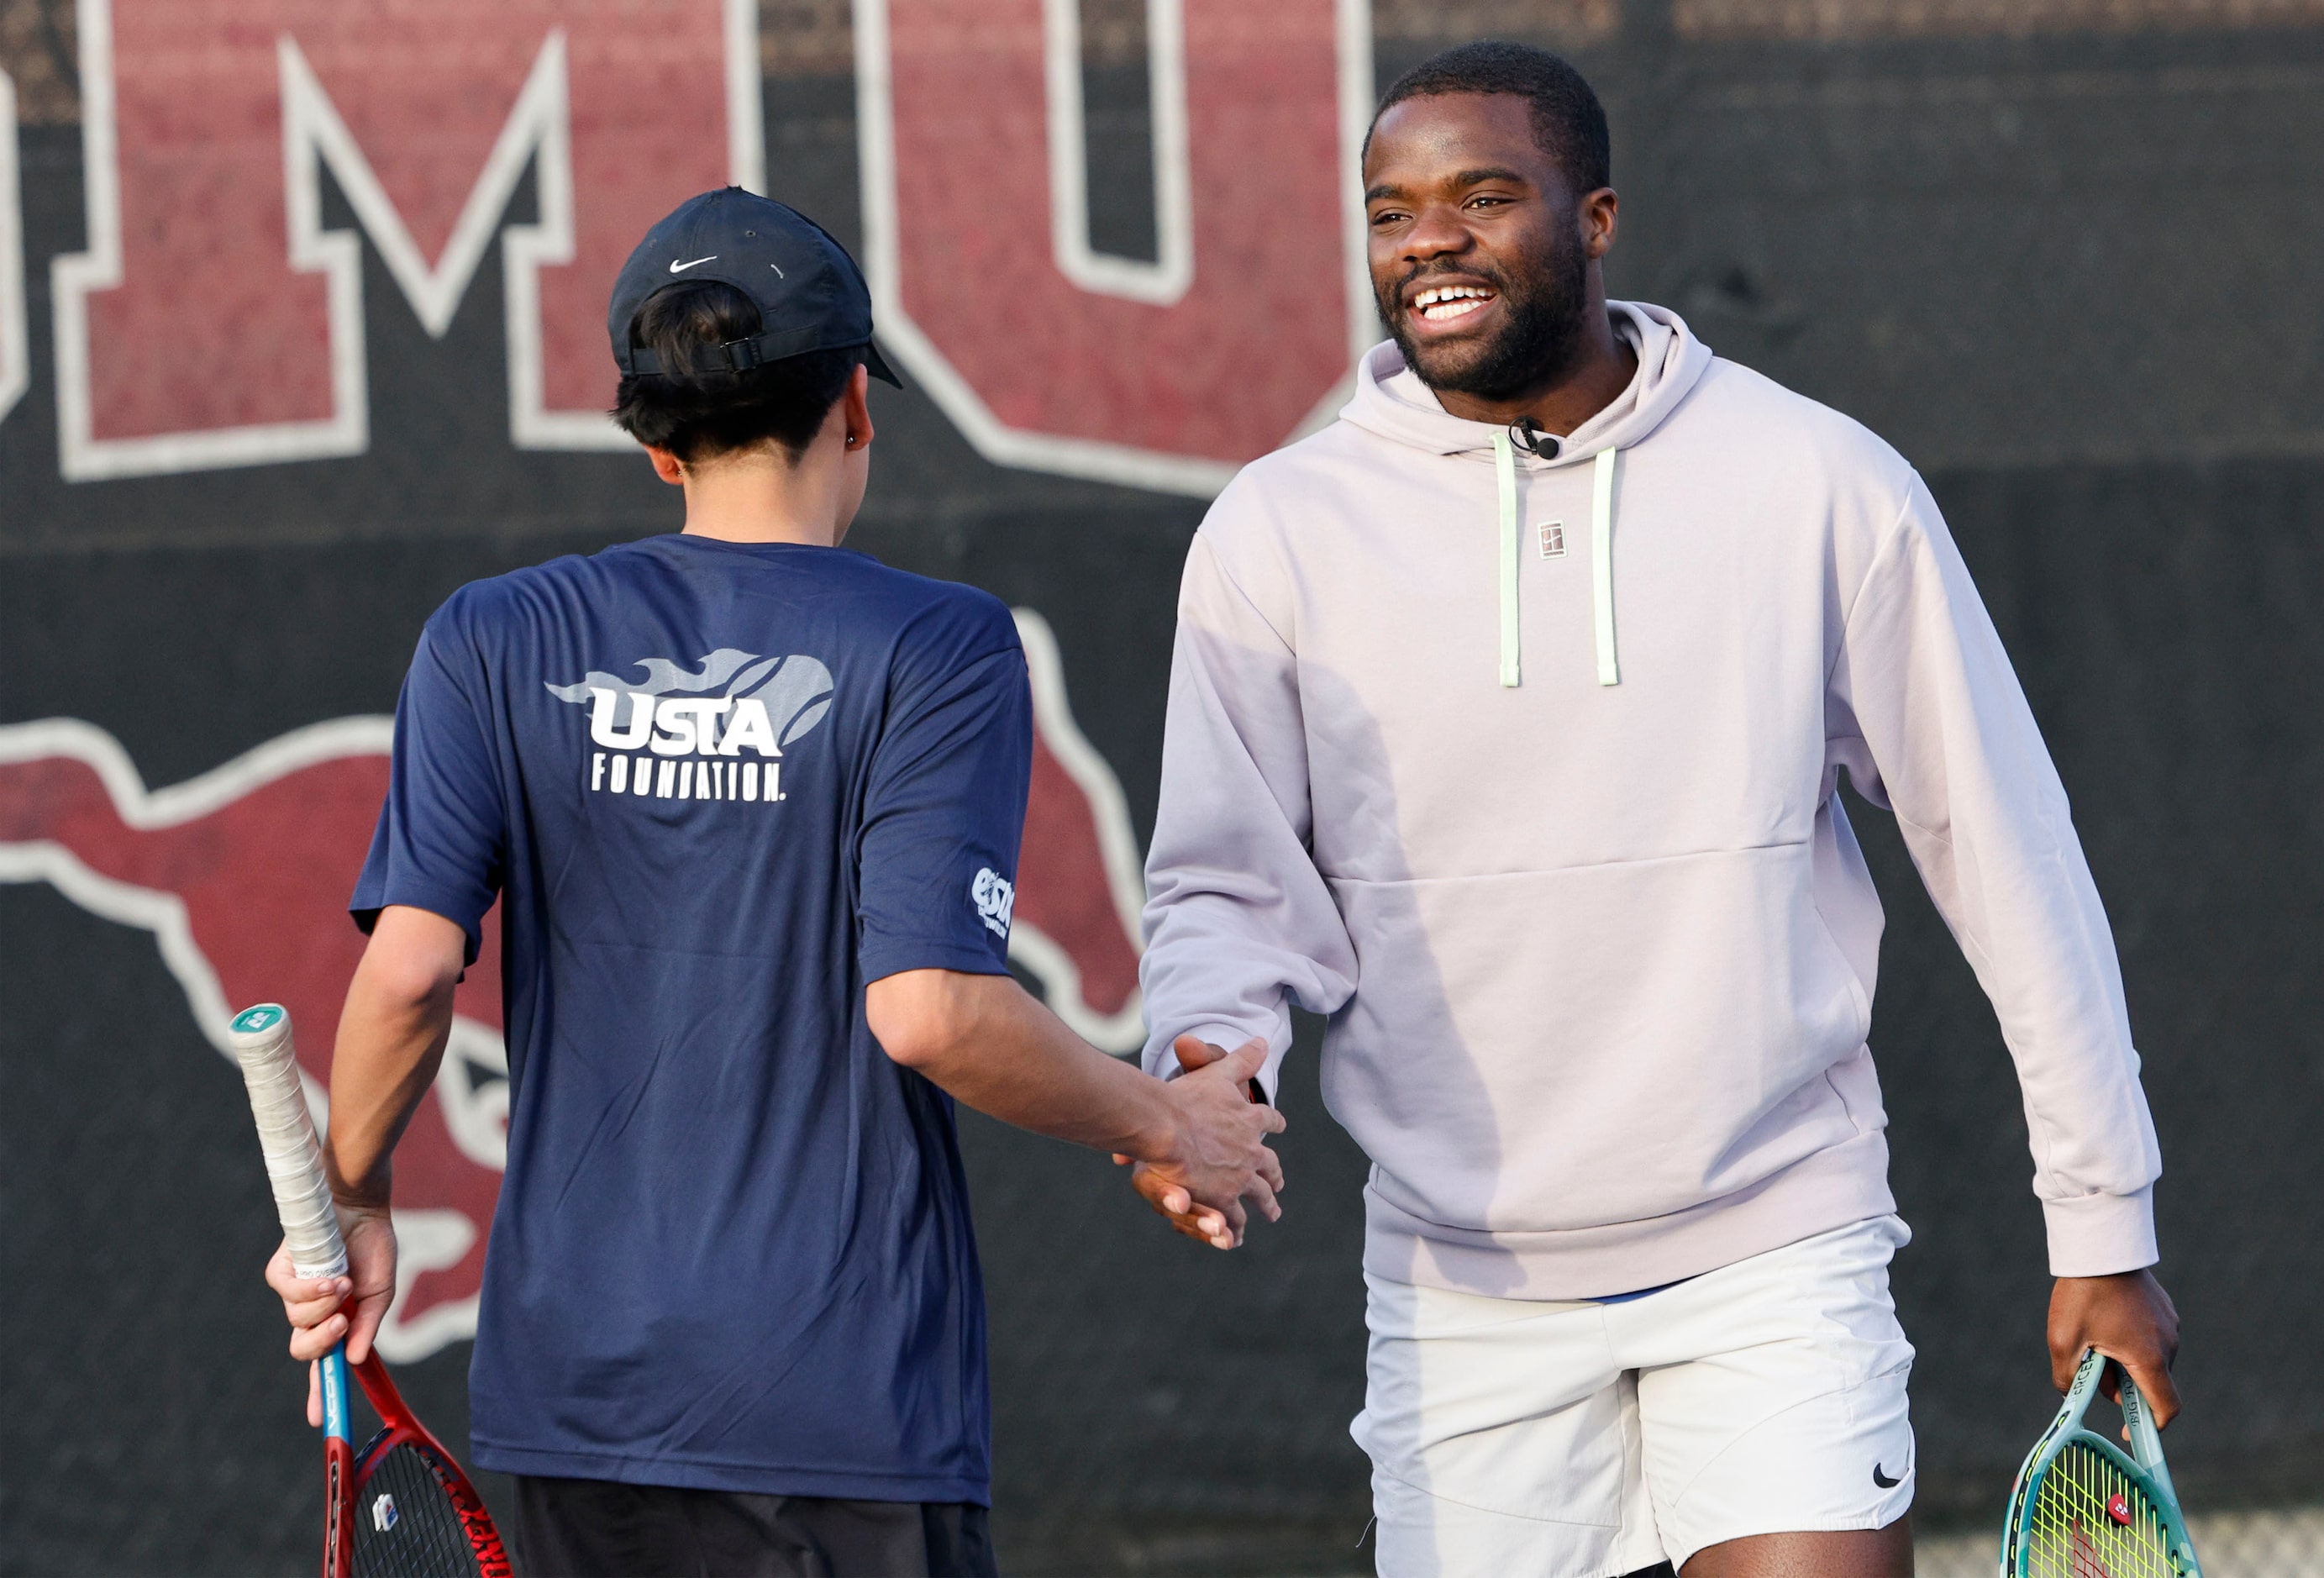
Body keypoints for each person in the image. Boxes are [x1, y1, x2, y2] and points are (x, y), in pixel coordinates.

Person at [1131, 42, 2179, 1578]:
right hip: (1458, 1289)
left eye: (1481, 196)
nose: (1426, 238)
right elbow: (1225, 887)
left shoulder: (1819, 482)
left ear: (1597, 215)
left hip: (1778, 1247)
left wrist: (2105, 1222)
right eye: (1389, 210)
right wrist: (1205, 1058)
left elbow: (2005, 859)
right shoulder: (1275, 532)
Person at [265, 187, 1285, 1578]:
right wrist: (1165, 1121)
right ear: (855, 404)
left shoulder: (490, 635)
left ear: (650, 440)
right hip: (841, 1406)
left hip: (581, 1400)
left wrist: (356, 1191)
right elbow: (927, 1007)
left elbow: (408, 969)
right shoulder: (943, 644)